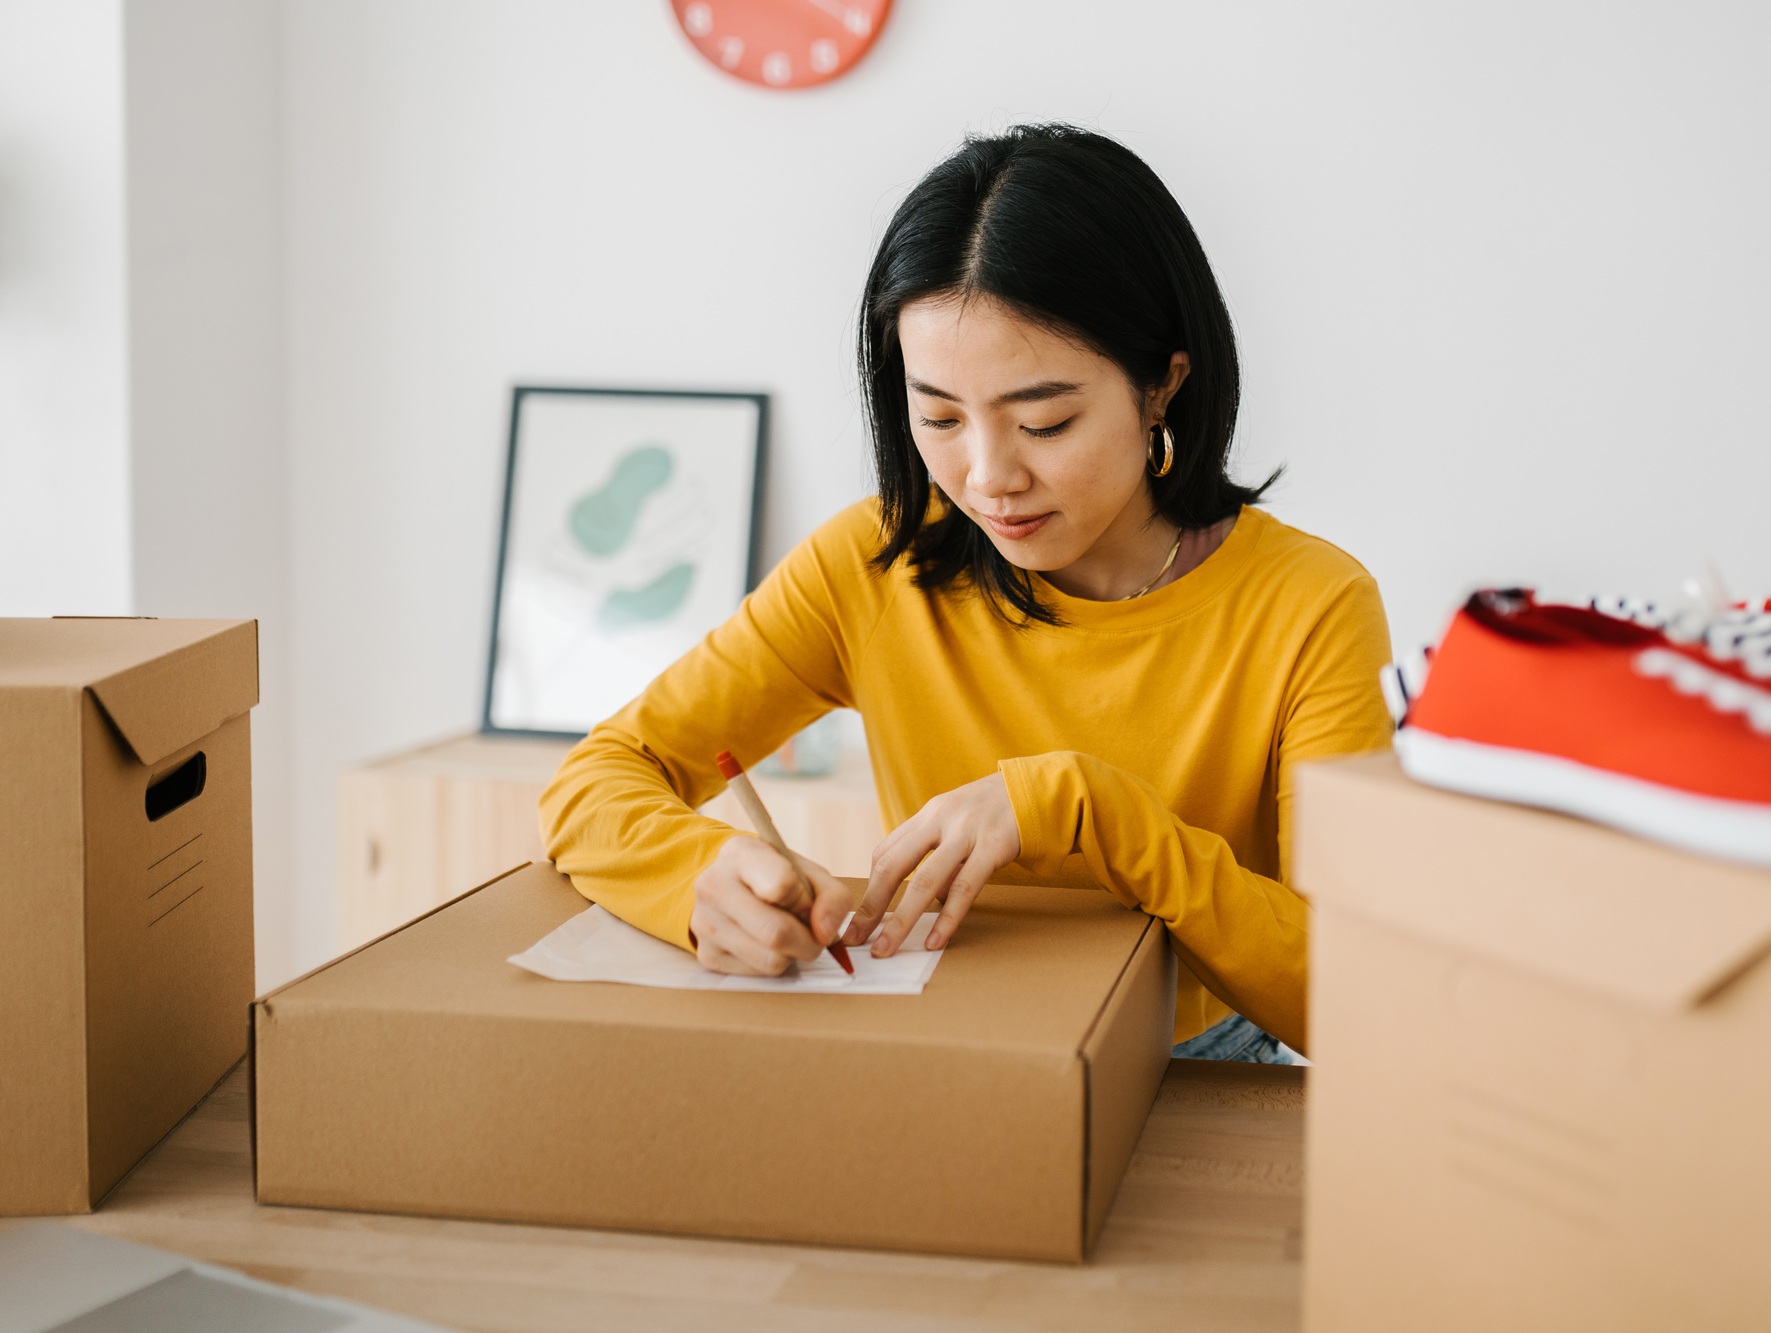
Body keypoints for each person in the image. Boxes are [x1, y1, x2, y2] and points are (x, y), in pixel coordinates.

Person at [539, 124, 1391, 1062]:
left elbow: (1353, 994)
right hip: (943, 1056)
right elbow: (595, 779)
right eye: (938, 415)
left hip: (1198, 1075)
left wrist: (1092, 811)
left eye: (1045, 420)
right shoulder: (875, 564)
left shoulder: (1311, 604)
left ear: (1161, 387)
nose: (988, 477)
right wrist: (700, 877)